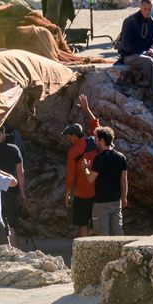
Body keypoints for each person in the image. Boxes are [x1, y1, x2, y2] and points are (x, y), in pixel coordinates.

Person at [64, 95, 99, 238]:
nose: (67, 138)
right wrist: (87, 109)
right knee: (97, 222)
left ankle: (85, 249)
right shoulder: (95, 141)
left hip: (82, 193)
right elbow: (96, 125)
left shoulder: (73, 152)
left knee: (83, 223)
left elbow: (71, 175)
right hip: (98, 189)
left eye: (68, 136)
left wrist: (67, 193)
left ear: (74, 136)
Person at [81, 127, 128, 236]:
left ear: (102, 141)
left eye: (96, 139)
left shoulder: (99, 158)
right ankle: (121, 253)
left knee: (102, 234)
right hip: (116, 201)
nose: (95, 141)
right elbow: (123, 180)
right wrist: (124, 197)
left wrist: (84, 168)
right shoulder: (121, 157)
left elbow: (90, 179)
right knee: (117, 232)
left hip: (101, 202)